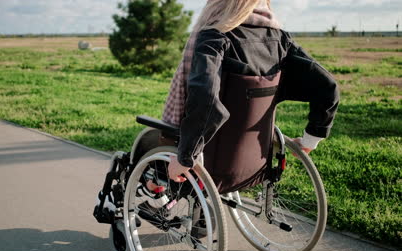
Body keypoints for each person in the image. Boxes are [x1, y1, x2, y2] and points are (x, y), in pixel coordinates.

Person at [145, 0, 339, 192]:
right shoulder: (279, 39)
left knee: (147, 147)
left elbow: (206, 102)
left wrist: (185, 156)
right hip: (252, 163)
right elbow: (327, 87)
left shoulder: (214, 36)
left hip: (206, 158)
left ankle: (152, 192)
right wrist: (309, 141)